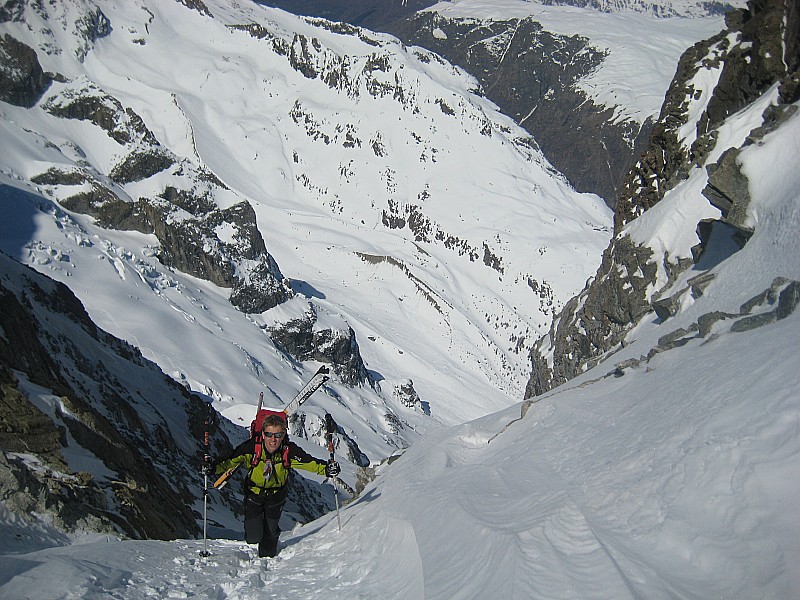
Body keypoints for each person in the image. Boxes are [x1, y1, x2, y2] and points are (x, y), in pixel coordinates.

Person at [213, 411, 340, 558]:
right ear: (263, 434)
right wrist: (212, 468)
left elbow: (309, 463)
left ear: (284, 435)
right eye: (269, 434)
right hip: (254, 493)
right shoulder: (251, 448)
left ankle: (268, 551)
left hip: (276, 495)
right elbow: (229, 461)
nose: (273, 439)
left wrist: (327, 469)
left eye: (278, 435)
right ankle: (265, 536)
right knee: (253, 537)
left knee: (269, 536)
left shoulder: (289, 451)